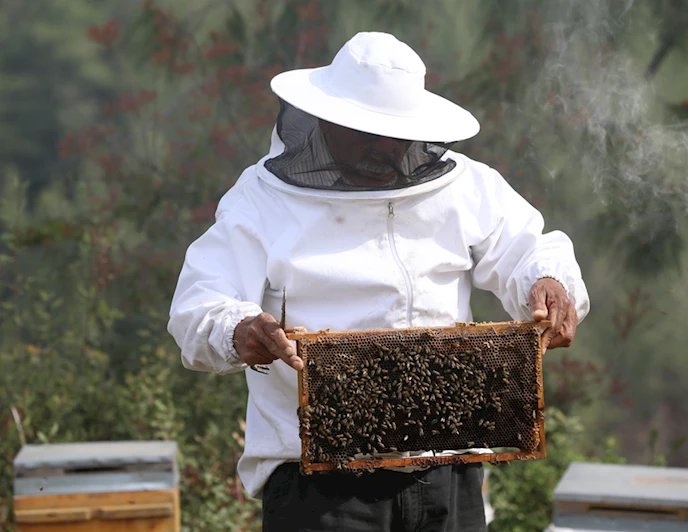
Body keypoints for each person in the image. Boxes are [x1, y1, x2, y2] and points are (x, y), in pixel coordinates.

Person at [168, 31, 590, 532]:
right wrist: (239, 330)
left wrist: (549, 282)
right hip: (319, 484)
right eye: (363, 132)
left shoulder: (466, 186)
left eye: (393, 133)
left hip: (449, 469)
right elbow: (199, 304)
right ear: (325, 120)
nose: (381, 147)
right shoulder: (261, 201)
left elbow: (529, 248)